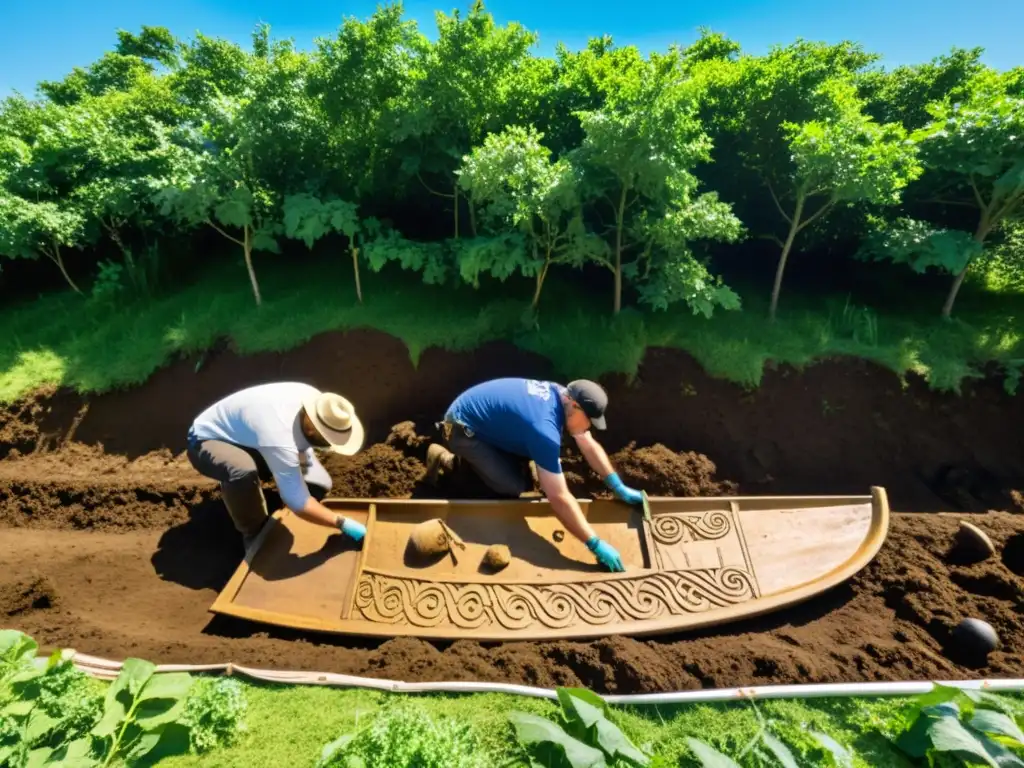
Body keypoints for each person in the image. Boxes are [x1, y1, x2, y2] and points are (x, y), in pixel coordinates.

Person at [425, 378, 645, 572]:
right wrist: (595, 544)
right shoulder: (544, 429)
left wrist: (618, 486)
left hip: (486, 421)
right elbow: (558, 498)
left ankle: (493, 460)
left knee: (533, 464)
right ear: (575, 405)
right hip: (461, 429)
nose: (589, 426)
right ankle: (449, 462)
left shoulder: (562, 395)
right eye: (589, 420)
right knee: (511, 487)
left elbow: (587, 444)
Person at [186, 382, 368, 551]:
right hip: (205, 440)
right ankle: (254, 532)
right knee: (242, 471)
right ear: (312, 428)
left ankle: (266, 498)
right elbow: (297, 500)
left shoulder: (316, 402)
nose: (329, 445)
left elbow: (297, 451)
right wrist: (341, 522)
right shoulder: (279, 436)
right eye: (327, 439)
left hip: (250, 434)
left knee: (318, 486)